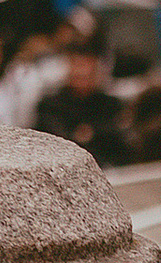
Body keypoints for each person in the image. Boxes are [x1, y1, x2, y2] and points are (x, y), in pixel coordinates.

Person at [32, 31, 133, 167]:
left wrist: (93, 132)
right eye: (76, 64)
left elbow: (120, 138)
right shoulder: (49, 106)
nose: (82, 71)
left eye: (86, 65)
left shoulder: (112, 105)